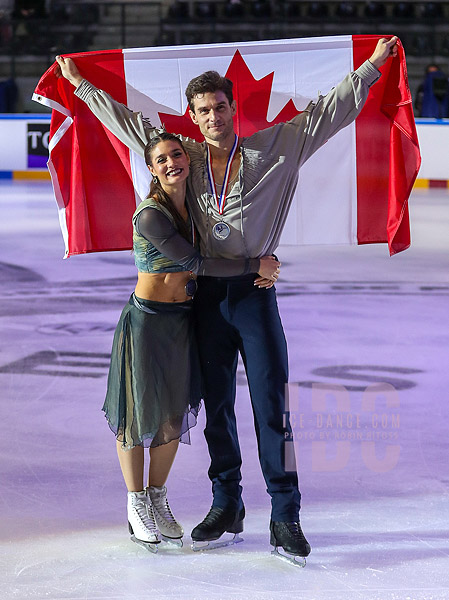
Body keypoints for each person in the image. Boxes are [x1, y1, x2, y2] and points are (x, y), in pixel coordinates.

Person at [56, 36, 397, 562]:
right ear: (193, 119)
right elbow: (134, 128)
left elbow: (328, 112)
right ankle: (227, 503)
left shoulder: (279, 145)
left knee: (272, 411)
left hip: (255, 299)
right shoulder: (184, 157)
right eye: (203, 110)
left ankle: (285, 515)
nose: (212, 116)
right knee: (216, 410)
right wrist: (81, 85)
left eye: (220, 107)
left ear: (233, 110)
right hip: (206, 298)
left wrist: (372, 66)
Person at [102, 131, 280, 551]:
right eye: (161, 159)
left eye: (177, 155)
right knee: (137, 413)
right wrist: (259, 263)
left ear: (189, 158)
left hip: (182, 321)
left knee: (170, 416)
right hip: (147, 323)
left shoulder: (196, 206)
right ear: (151, 168)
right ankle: (136, 503)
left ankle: (158, 497)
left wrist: (267, 266)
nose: (171, 164)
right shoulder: (151, 214)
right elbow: (196, 261)